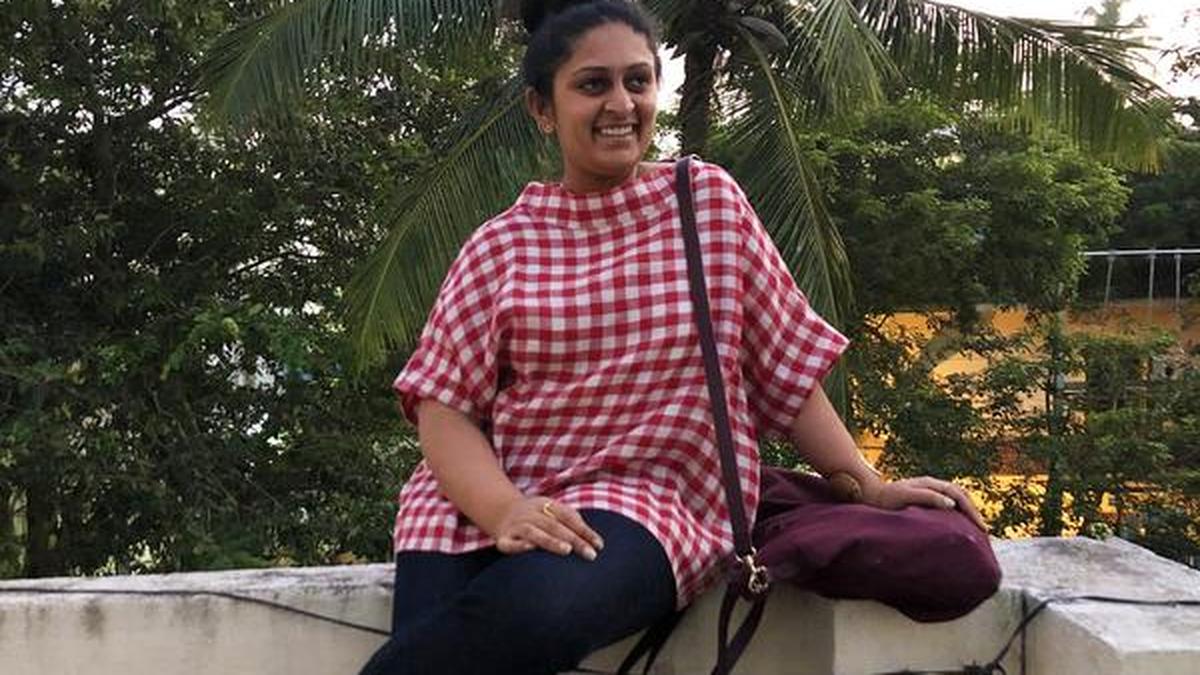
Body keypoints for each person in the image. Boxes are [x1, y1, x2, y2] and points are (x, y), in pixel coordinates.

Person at [357, 1, 988, 673]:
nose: (620, 103)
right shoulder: (500, 245)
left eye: (638, 80)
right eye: (592, 84)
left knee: (538, 613)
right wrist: (505, 509)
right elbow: (445, 406)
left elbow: (784, 365)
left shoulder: (705, 204)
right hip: (477, 503)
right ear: (542, 109)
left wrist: (866, 483)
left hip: (647, 499)